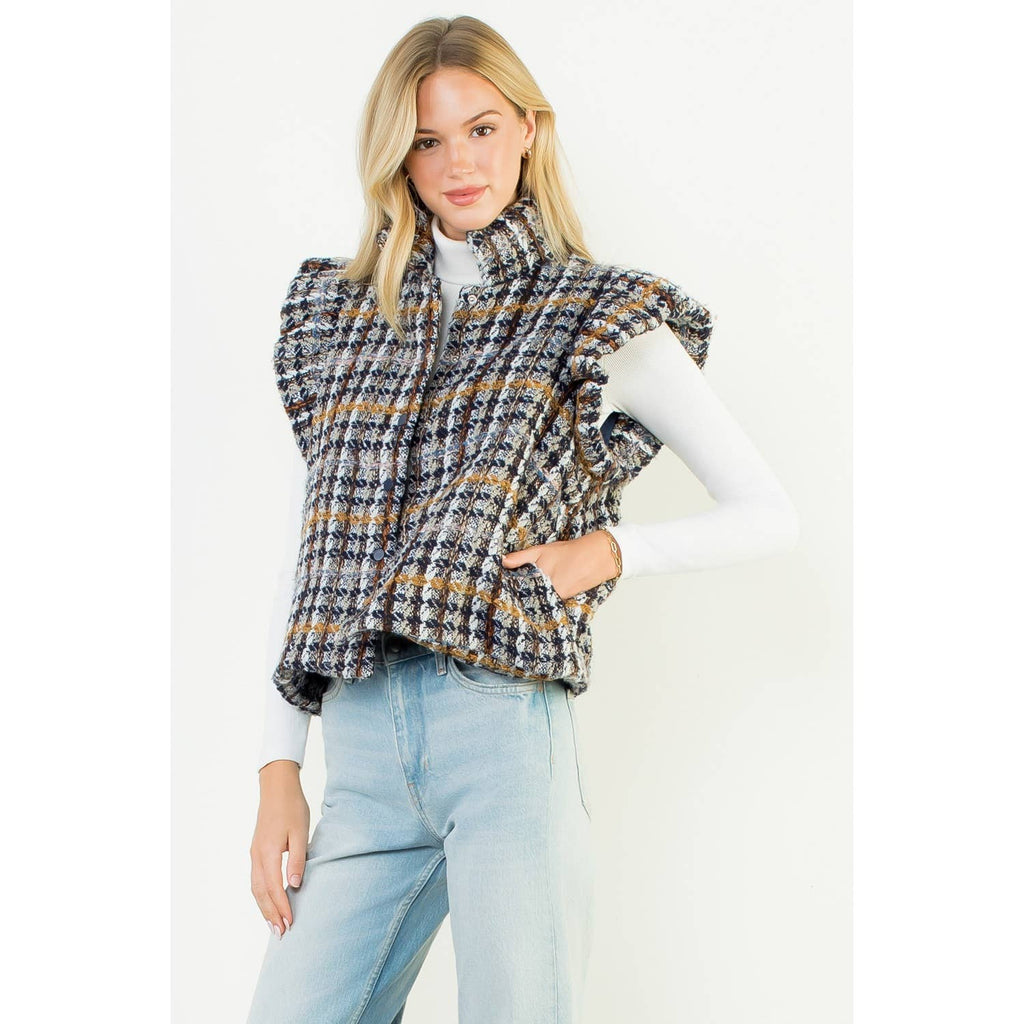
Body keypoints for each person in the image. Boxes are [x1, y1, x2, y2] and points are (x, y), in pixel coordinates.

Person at [247, 15, 799, 1024]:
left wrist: (609, 550)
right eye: (427, 140)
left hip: (499, 726)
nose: (458, 163)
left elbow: (767, 511)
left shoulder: (596, 316)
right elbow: (310, 551)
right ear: (397, 157)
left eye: (482, 128)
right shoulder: (341, 316)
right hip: (361, 749)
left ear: (528, 130)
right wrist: (279, 766)